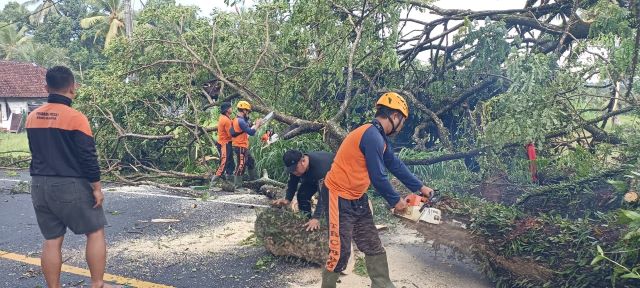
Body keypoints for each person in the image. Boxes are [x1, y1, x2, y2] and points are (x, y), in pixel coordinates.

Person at [316, 92, 435, 288]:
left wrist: (421, 187)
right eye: (402, 121)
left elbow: (395, 165)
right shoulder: (370, 135)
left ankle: (383, 285)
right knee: (341, 251)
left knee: (372, 245)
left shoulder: (379, 138)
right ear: (395, 117)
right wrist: (396, 201)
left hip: (357, 197)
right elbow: (378, 176)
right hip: (338, 196)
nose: (401, 126)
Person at [26, 66, 111, 288]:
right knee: (95, 231)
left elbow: (35, 151)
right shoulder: (76, 118)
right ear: (73, 88)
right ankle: (97, 284)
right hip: (70, 184)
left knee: (52, 239)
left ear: (46, 87)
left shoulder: (32, 117)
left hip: (39, 185)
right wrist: (96, 187)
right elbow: (87, 156)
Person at [272, 150, 335, 218]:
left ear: (303, 161)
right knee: (302, 195)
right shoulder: (297, 168)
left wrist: (316, 218)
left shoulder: (320, 169)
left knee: (333, 206)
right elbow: (292, 182)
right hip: (313, 177)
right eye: (291, 170)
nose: (294, 172)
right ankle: (306, 219)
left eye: (295, 169)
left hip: (336, 178)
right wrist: (287, 199)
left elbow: (324, 195)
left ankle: (320, 221)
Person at [230, 100, 262, 188]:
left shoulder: (239, 120)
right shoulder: (240, 121)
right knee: (241, 165)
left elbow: (247, 127)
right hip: (240, 146)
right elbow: (251, 132)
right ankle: (237, 186)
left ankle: (255, 182)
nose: (248, 113)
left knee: (251, 161)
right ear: (244, 110)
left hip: (243, 145)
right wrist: (258, 125)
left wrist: (255, 124)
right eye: (247, 111)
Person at [211, 102, 235, 184]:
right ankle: (213, 183)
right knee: (223, 163)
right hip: (224, 143)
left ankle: (230, 182)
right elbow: (230, 134)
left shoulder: (226, 118)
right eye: (230, 107)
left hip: (228, 143)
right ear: (227, 110)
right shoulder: (225, 120)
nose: (232, 109)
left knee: (231, 163)